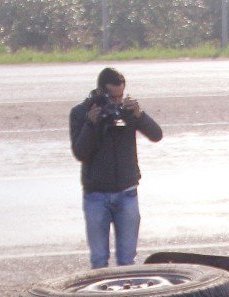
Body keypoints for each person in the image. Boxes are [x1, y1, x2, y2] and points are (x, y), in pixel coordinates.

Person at [70, 68, 163, 269]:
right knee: (99, 259)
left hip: (126, 192)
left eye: (121, 96)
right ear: (101, 93)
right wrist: (91, 124)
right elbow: (80, 153)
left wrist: (140, 115)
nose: (117, 102)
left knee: (127, 261)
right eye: (113, 98)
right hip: (96, 195)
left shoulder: (128, 111)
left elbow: (156, 135)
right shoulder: (80, 113)